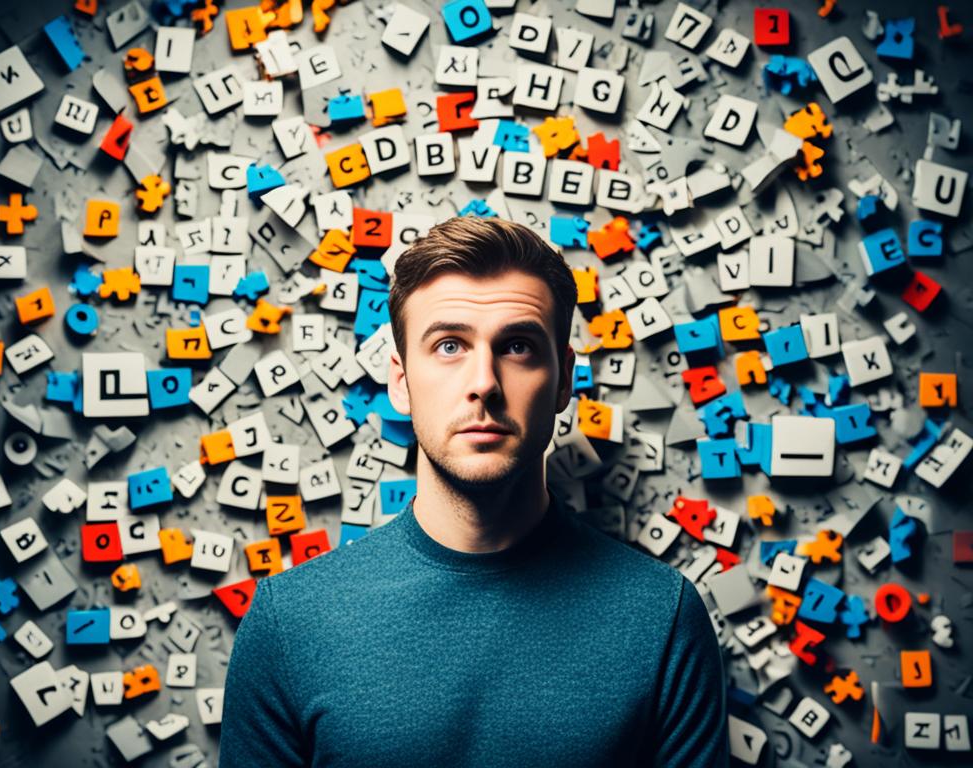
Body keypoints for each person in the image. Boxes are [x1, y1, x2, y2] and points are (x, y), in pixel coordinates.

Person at [219, 216, 729, 767]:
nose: (483, 381)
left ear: (562, 382)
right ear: (399, 381)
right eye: (448, 345)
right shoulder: (288, 623)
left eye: (517, 346)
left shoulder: (661, 617)